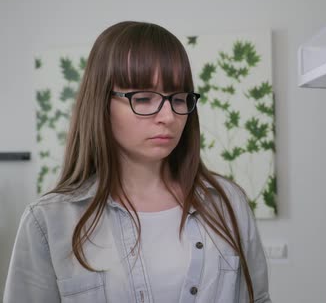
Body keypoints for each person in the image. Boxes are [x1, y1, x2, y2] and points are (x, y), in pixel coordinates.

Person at [3, 21, 271, 303]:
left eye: (179, 99)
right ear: (100, 104)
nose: (168, 116)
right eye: (143, 98)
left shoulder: (228, 202)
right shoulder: (48, 221)